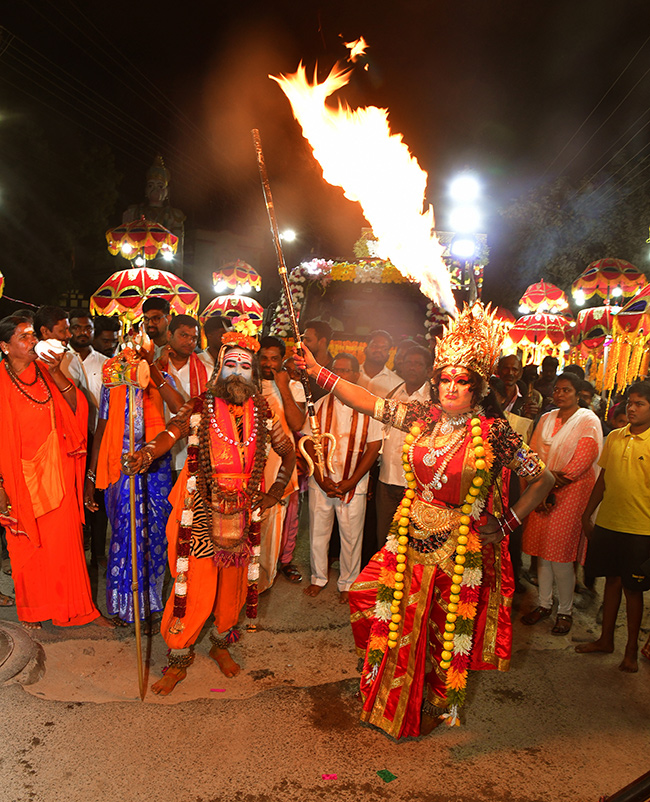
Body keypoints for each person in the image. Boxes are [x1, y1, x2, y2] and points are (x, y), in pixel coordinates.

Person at [295, 303, 554, 737]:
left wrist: (507, 524)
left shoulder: (493, 431)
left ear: (478, 386)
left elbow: (542, 479)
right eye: (445, 379)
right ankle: (390, 688)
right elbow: (365, 399)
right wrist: (318, 370)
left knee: (441, 628)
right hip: (410, 534)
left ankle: (430, 701)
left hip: (459, 546)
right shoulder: (421, 416)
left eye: (462, 380)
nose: (451, 387)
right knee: (371, 598)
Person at [122, 324, 296, 695]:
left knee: (231, 587)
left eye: (245, 366)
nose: (237, 371)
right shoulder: (200, 405)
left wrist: (276, 490)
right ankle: (178, 657)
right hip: (199, 509)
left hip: (243, 509)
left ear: (255, 373)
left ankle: (220, 644)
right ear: (219, 369)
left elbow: (288, 452)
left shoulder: (264, 412)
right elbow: (172, 431)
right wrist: (149, 452)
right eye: (230, 364)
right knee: (194, 585)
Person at [0, 315, 111, 630]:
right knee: (27, 546)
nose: (32, 341)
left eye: (33, 335)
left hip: (56, 471)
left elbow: (77, 406)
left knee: (65, 543)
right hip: (17, 476)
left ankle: (78, 608)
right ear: (4, 346)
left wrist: (54, 372)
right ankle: (33, 609)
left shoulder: (44, 371)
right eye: (24, 337)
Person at [85, 343, 184, 626]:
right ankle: (125, 603)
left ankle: (151, 601)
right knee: (126, 535)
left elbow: (179, 409)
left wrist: (151, 371)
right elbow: (101, 430)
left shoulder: (162, 379)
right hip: (123, 467)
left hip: (157, 467)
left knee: (155, 536)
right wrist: (91, 479)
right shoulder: (113, 383)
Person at [576, 381, 650, 672]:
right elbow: (603, 479)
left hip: (641, 527)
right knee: (611, 582)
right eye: (630, 402)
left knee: (633, 590)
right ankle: (605, 639)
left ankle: (630, 650)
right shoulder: (616, 437)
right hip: (609, 522)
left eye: (640, 404)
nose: (631, 408)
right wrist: (588, 513)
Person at [521, 373, 603, 635]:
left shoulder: (588, 420)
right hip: (541, 489)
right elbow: (532, 454)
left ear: (578, 394)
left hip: (571, 492)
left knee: (561, 557)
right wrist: (539, 486)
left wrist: (547, 487)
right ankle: (544, 604)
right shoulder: (546, 418)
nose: (559, 394)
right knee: (542, 553)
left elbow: (582, 462)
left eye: (566, 390)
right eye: (557, 390)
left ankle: (565, 611)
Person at [302, 353, 382, 602]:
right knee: (318, 533)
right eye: (336, 370)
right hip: (321, 482)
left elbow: (374, 447)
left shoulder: (369, 404)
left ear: (357, 375)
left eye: (346, 371)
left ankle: (348, 582)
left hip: (353, 482)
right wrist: (321, 478)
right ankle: (318, 578)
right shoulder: (318, 405)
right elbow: (308, 444)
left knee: (351, 536)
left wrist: (352, 480)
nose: (340, 375)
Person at [258, 336, 305, 590]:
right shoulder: (247, 384)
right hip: (250, 466)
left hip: (280, 466)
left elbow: (297, 424)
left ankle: (264, 580)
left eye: (274, 358)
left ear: (282, 360)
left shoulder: (294, 387)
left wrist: (283, 386)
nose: (268, 363)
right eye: (263, 357)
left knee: (275, 525)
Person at [375, 345, 432, 548]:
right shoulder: (393, 394)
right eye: (409, 363)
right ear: (401, 365)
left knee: (411, 541)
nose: (412, 368)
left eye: (418, 364)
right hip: (387, 478)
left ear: (428, 370)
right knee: (384, 535)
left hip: (417, 485)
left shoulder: (433, 400)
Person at [155, 314, 209, 473]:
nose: (189, 342)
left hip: (190, 455)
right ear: (170, 335)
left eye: (194, 338)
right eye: (184, 335)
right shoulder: (154, 367)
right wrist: (158, 366)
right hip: (158, 447)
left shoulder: (206, 371)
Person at [123, 155, 186, 260]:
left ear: (167, 192)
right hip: (139, 257)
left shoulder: (174, 215)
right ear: (146, 190)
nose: (155, 190)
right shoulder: (134, 211)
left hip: (164, 258)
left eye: (160, 186)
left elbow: (178, 248)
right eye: (151, 185)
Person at [496, 354, 541, 419]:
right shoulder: (488, 394)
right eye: (506, 369)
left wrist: (533, 415)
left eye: (514, 370)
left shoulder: (526, 399)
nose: (510, 373)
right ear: (498, 370)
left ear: (520, 373)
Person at [358, 330, 401, 397]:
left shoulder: (397, 383)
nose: (379, 350)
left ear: (388, 355)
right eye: (374, 346)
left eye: (384, 348)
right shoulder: (350, 373)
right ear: (365, 349)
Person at [301, 320, 333, 401]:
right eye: (303, 339)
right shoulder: (300, 364)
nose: (303, 343)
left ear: (322, 341)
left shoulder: (336, 368)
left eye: (308, 340)